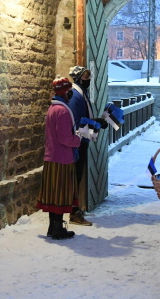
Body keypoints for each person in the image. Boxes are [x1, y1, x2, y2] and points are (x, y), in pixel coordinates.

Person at [36, 76, 82, 240]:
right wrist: (79, 139)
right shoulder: (62, 111)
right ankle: (57, 229)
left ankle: (52, 227)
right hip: (61, 158)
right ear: (65, 92)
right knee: (61, 194)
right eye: (69, 91)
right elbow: (64, 138)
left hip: (52, 156)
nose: (71, 93)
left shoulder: (53, 108)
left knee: (54, 193)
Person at [67, 66, 107, 227]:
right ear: (77, 79)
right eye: (85, 77)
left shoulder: (81, 93)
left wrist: (97, 120)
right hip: (77, 143)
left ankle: (74, 209)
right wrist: (97, 123)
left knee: (78, 175)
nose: (88, 80)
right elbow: (76, 122)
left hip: (82, 141)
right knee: (75, 176)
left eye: (89, 77)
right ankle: (73, 210)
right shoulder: (76, 96)